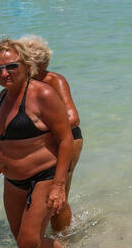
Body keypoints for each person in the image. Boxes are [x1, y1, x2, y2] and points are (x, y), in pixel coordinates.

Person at [0, 39, 74, 248]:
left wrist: (59, 186)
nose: (4, 73)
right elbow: (13, 132)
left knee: (29, 241)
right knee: (20, 238)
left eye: (11, 66)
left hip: (43, 176)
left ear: (26, 65)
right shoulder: (4, 95)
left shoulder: (43, 93)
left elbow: (66, 139)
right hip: (12, 180)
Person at [18, 35, 83, 232]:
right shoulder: (20, 85)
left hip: (67, 140)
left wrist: (37, 127)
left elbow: (73, 119)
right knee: (39, 194)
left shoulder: (54, 80)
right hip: (39, 144)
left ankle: (64, 241)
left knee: (58, 195)